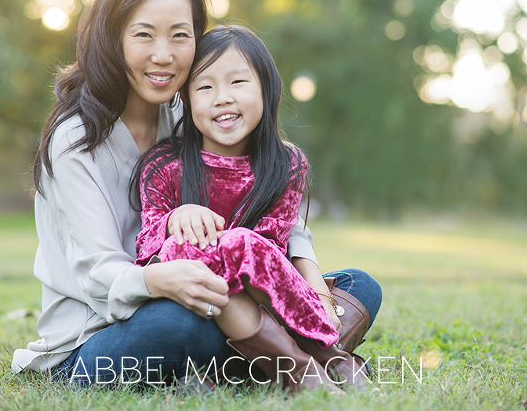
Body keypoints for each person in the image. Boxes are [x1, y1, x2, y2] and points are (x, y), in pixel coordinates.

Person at [11, 0, 382, 389]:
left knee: (358, 286)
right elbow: (97, 276)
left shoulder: (189, 109)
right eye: (144, 35)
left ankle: (264, 360)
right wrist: (163, 279)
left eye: (180, 35)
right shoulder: (75, 140)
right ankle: (289, 364)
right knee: (181, 323)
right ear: (112, 39)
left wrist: (313, 287)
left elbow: (275, 203)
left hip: (213, 287)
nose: (163, 55)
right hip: (102, 333)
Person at [133, 25, 371, 393]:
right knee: (202, 265)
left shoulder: (286, 163)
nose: (222, 98)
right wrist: (175, 218)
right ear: (186, 100)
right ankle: (314, 367)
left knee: (361, 286)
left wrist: (313, 292)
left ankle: (307, 365)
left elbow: (272, 251)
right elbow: (147, 245)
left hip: (269, 299)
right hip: (197, 306)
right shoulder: (164, 165)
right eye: (205, 87)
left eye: (238, 82)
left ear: (266, 88)